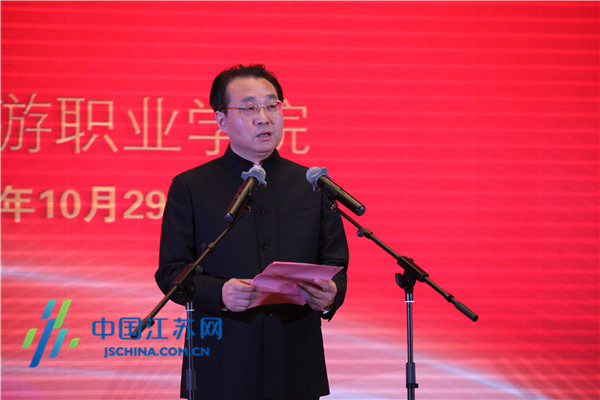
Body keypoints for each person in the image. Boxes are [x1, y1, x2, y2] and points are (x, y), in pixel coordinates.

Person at [155, 64, 349, 400]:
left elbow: (335, 263)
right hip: (221, 364)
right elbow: (171, 271)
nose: (264, 118)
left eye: (272, 105)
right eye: (248, 108)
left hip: (295, 363)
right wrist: (219, 292)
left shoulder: (312, 185)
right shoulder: (192, 186)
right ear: (221, 120)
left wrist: (331, 295)